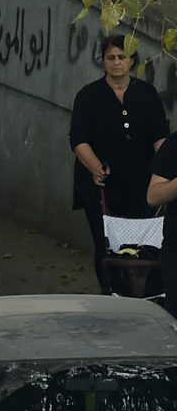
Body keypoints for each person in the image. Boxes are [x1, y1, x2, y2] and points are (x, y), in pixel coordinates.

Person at [71, 35, 169, 293]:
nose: (116, 63)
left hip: (141, 185)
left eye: (122, 57)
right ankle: (109, 293)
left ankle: (143, 295)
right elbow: (78, 139)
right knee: (106, 245)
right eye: (110, 58)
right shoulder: (88, 96)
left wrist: (165, 171)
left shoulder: (146, 93)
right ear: (103, 61)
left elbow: (160, 137)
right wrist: (95, 167)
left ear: (131, 61)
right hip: (101, 187)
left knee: (144, 245)